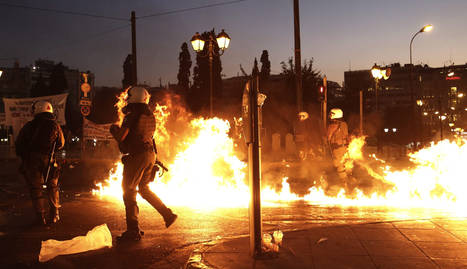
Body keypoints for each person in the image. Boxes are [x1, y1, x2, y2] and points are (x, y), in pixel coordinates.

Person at [110, 86, 177, 242]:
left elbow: (121, 137)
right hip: (149, 155)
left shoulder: (132, 115)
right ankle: (167, 214)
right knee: (144, 189)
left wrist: (113, 129)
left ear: (134, 98)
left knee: (129, 190)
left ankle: (132, 231)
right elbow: (151, 138)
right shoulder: (149, 114)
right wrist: (154, 160)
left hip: (138, 156)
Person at [15, 101, 65, 226]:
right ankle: (54, 214)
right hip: (49, 159)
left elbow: (19, 144)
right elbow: (61, 144)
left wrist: (24, 157)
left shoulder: (29, 126)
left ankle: (40, 216)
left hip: (32, 160)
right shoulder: (55, 126)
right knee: (52, 186)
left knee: (36, 188)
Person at [326, 108, 351, 183]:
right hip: (343, 147)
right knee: (344, 164)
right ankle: (349, 179)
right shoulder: (343, 124)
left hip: (337, 149)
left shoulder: (333, 125)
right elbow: (346, 136)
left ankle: (345, 183)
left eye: (332, 114)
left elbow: (328, 137)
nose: (330, 115)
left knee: (338, 165)